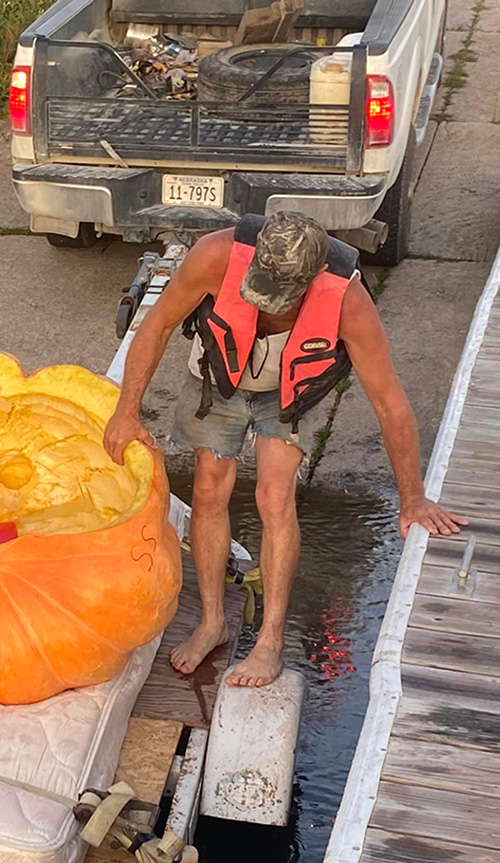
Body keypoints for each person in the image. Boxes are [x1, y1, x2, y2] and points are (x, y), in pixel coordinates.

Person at [103, 211, 468, 688]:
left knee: (274, 497)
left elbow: (390, 403)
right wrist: (126, 411)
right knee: (210, 489)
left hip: (292, 391)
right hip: (220, 375)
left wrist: (413, 496)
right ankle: (212, 622)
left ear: (313, 277)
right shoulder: (215, 255)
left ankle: (270, 642)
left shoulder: (348, 301)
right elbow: (157, 327)